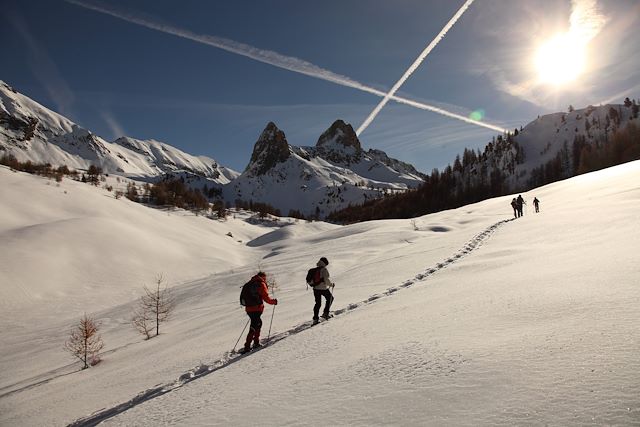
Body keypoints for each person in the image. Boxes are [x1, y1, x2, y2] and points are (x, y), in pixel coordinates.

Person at [241, 272, 277, 353]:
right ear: (262, 277)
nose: (265, 279)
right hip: (256, 309)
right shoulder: (260, 284)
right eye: (265, 278)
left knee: (258, 323)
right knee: (254, 326)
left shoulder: (250, 283)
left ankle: (255, 342)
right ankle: (247, 346)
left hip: (249, 309)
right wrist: (273, 302)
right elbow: (266, 297)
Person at [312, 257, 334, 324]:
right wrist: (331, 285)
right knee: (330, 298)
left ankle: (315, 319)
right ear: (325, 263)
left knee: (317, 303)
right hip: (323, 288)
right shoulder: (324, 270)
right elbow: (326, 280)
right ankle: (325, 314)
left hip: (315, 289)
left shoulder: (315, 270)